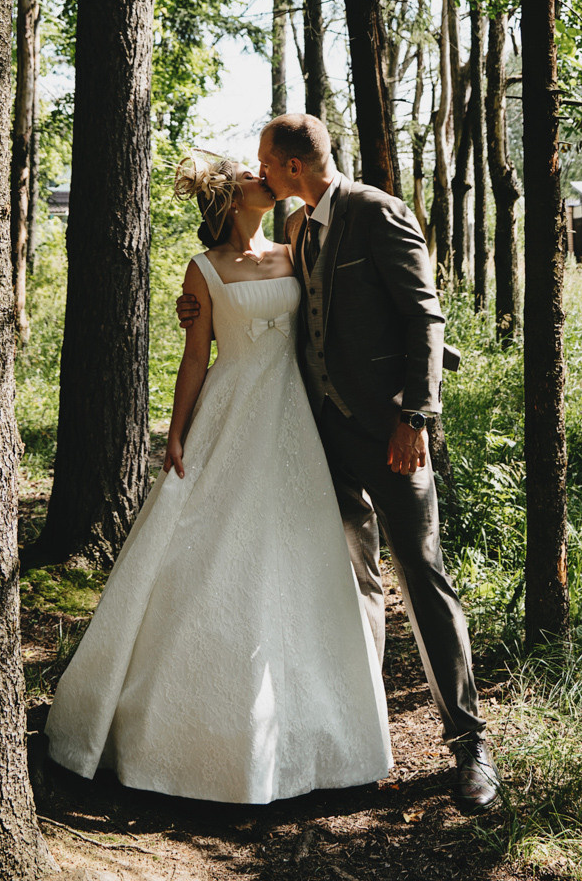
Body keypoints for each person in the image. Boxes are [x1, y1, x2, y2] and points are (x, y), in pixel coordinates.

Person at [45, 150, 392, 806]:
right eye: (251, 176)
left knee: (299, 562)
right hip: (230, 414)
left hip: (293, 419)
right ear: (232, 200)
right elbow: (196, 358)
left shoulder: (297, 245)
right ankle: (181, 736)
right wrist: (176, 431)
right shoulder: (201, 271)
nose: (266, 179)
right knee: (212, 557)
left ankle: (319, 734)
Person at [178, 113, 497, 811]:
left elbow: (424, 316)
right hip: (317, 434)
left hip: (391, 434)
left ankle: (470, 745)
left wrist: (415, 415)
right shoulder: (294, 230)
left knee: (420, 570)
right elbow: (269, 305)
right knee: (352, 581)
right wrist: (198, 303)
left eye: (265, 163)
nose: (258, 174)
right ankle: (361, 733)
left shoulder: (376, 212)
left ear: (292, 166)